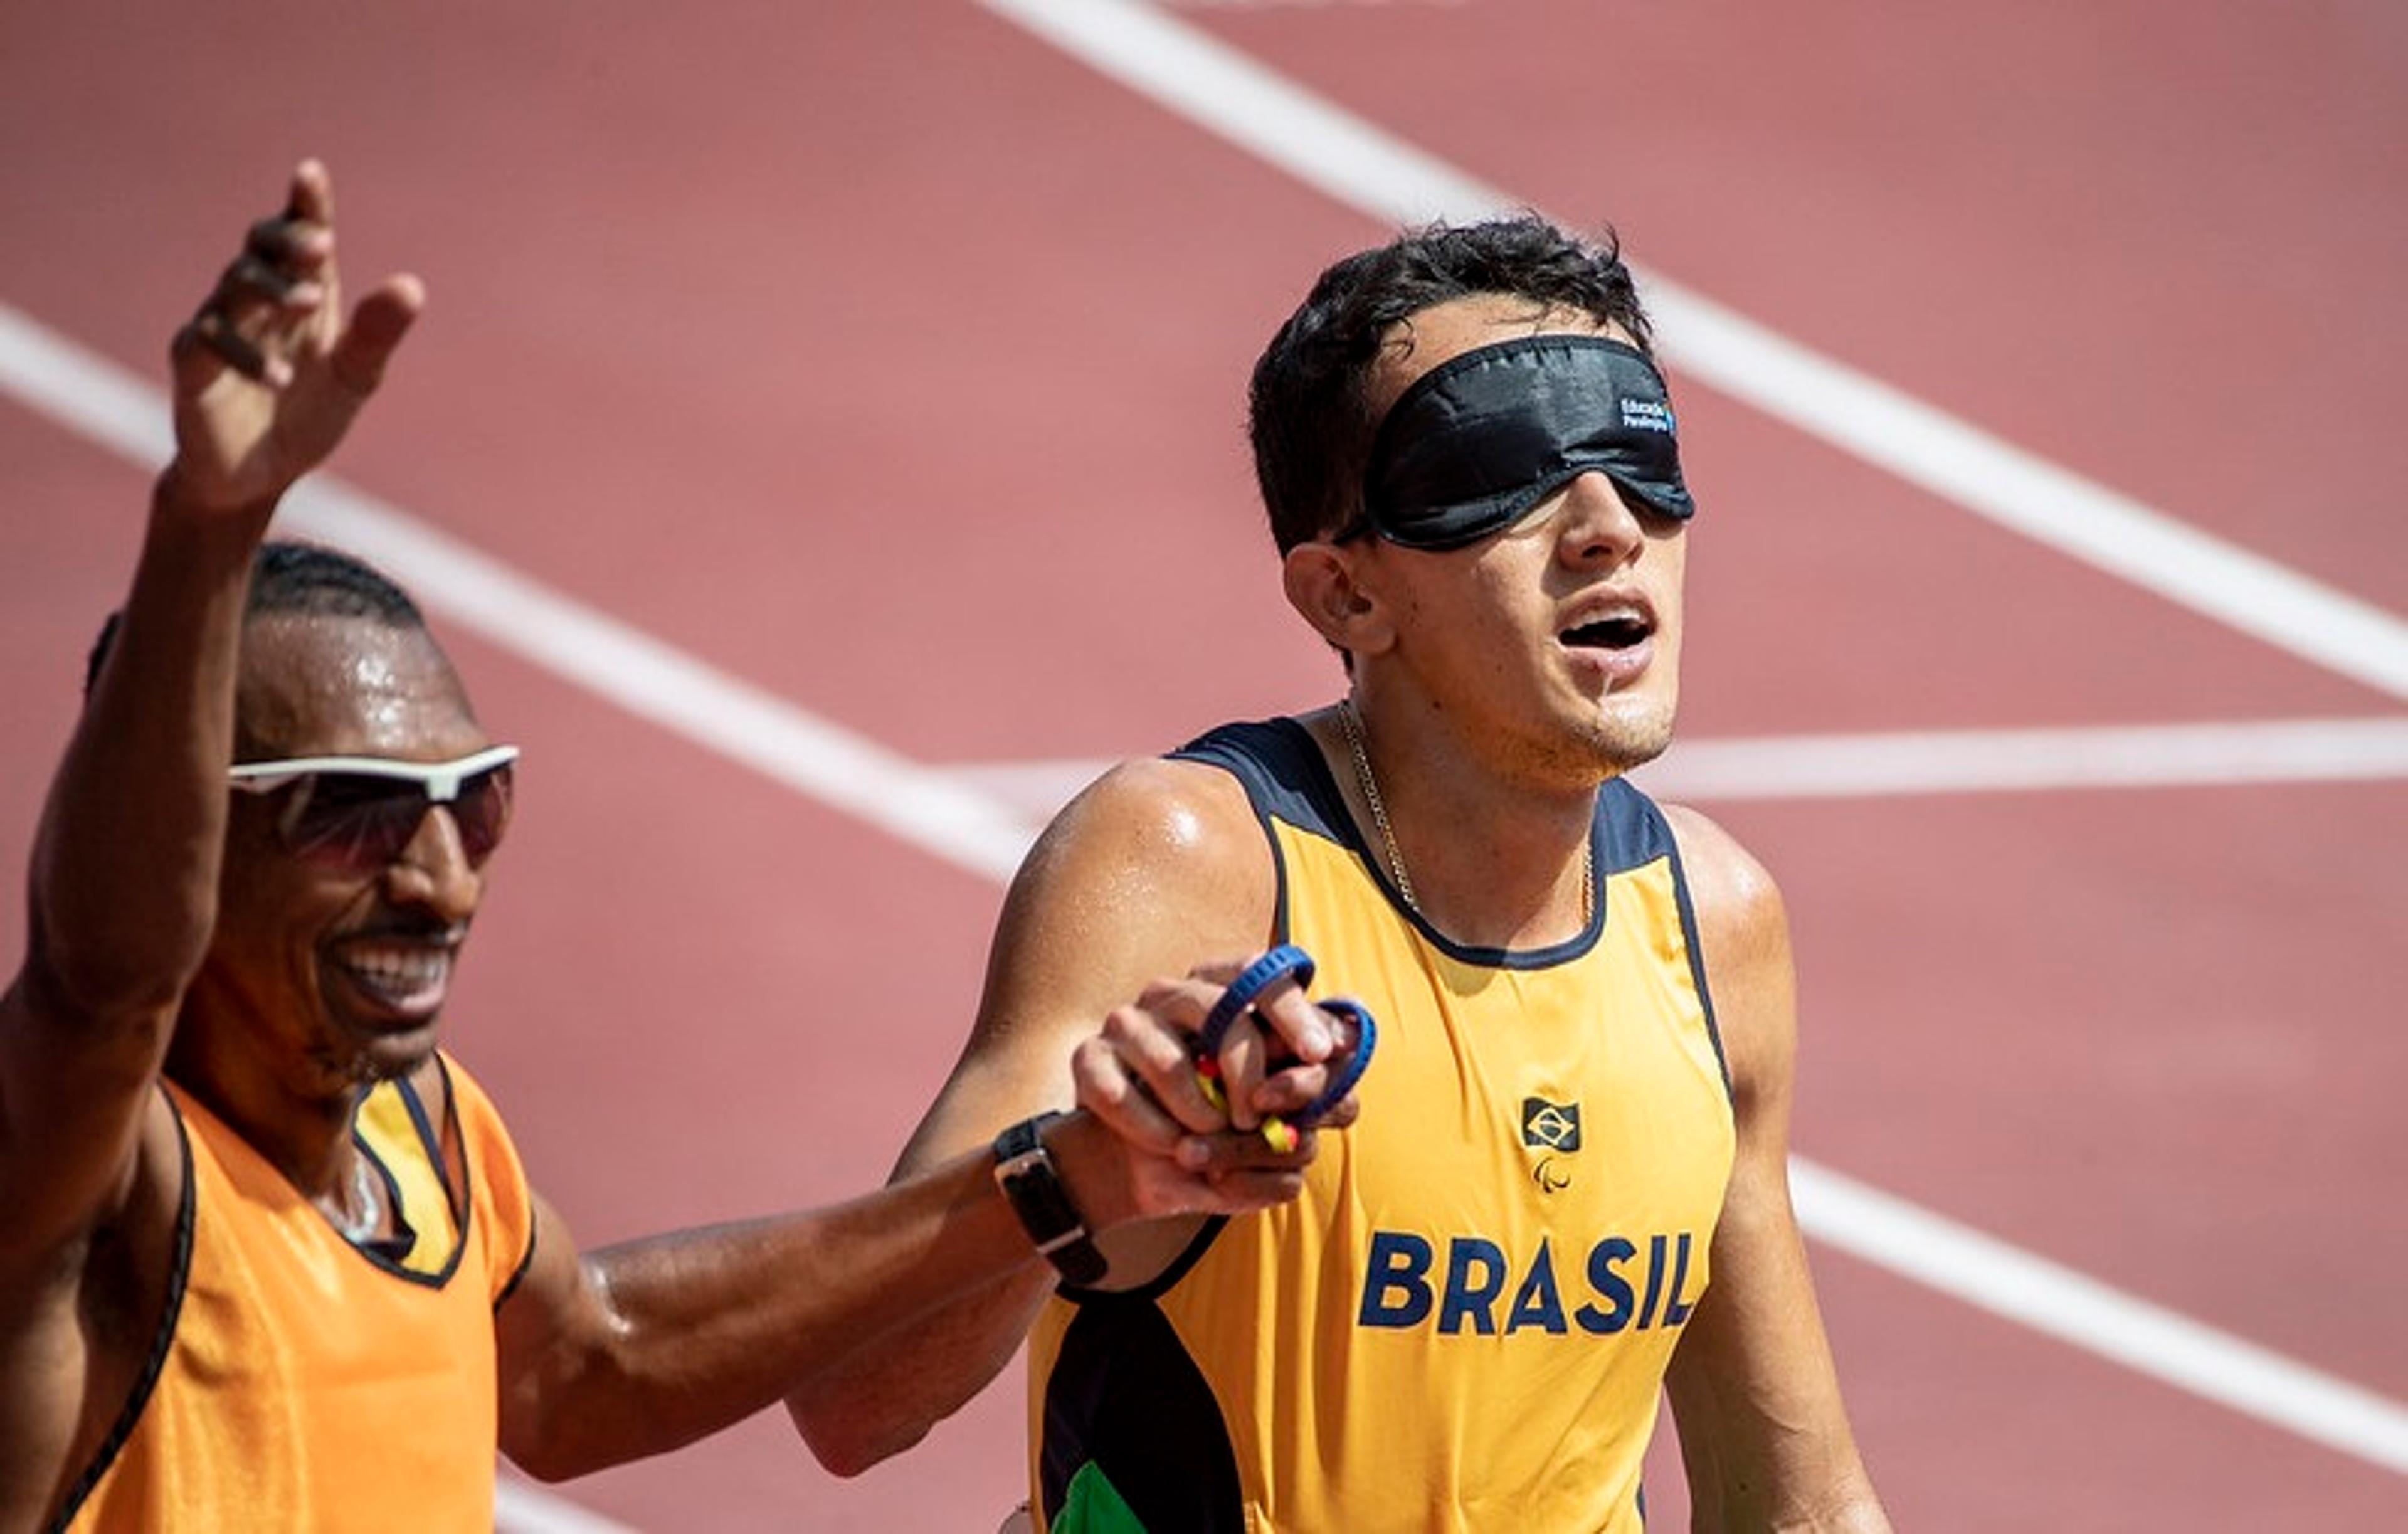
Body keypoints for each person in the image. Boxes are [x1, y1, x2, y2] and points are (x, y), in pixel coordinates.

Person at [0, 162, 1352, 1533]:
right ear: (195, 828)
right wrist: (210, 523)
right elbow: (100, 983)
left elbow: (588, 1366)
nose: (436, 874)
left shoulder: (422, 1131)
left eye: (471, 804)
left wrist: (1066, 1183)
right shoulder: (97, 1173)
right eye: (349, 814)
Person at [788, 215, 1894, 1531]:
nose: (1606, 524)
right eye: (1504, 473)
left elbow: (1799, 1506)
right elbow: (856, 1398)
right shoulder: (1190, 869)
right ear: (1345, 596)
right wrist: (1099, 1165)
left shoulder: (1713, 923)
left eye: (1640, 452)